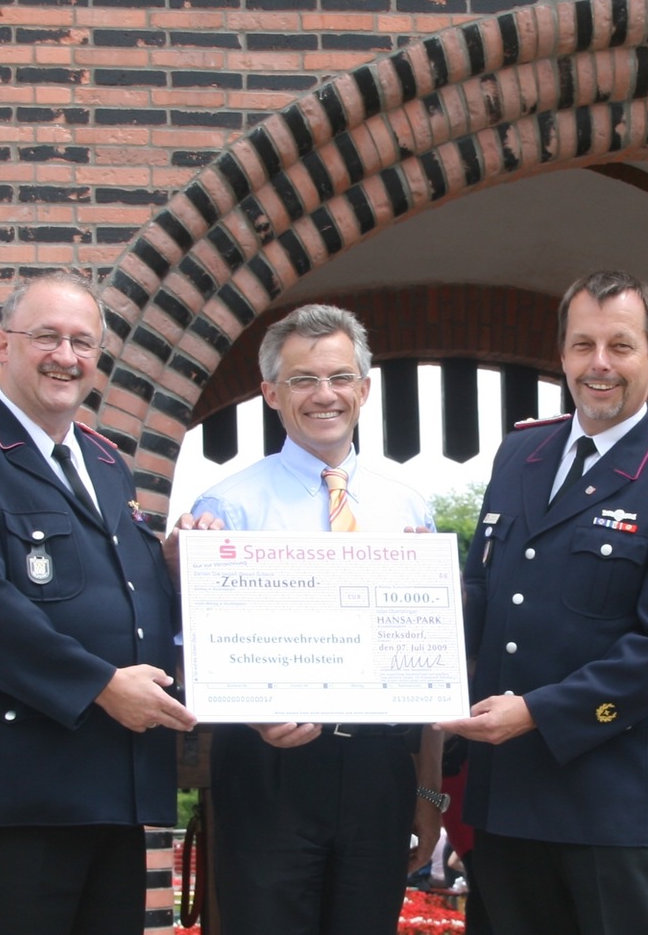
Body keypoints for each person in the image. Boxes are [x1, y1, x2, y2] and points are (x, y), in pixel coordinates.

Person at [0, 270, 208, 935]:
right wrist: (99, 683)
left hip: (111, 782)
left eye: (82, 341)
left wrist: (179, 569)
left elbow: (124, 592)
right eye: (47, 336)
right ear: (0, 344)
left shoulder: (105, 462)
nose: (66, 356)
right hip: (15, 791)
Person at [439, 269, 648, 935]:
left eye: (621, 346)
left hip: (614, 808)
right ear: (562, 354)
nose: (599, 365)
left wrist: (536, 712)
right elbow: (481, 594)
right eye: (582, 345)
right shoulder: (520, 454)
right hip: (508, 798)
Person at [191, 303, 443, 935]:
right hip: (266, 768)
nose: (323, 395)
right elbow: (198, 657)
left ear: (364, 387)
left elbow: (433, 668)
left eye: (339, 377)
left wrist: (429, 790)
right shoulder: (225, 507)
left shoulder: (409, 507)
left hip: (380, 768)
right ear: (272, 392)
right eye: (303, 380)